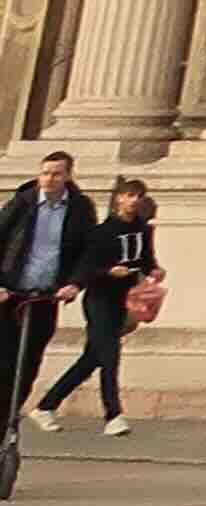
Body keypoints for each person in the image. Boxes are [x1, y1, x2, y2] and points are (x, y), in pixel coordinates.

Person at [29, 181, 155, 437]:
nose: (134, 201)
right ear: (118, 199)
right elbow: (88, 266)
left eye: (138, 196)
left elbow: (146, 260)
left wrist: (154, 270)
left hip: (123, 301)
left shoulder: (142, 230)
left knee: (91, 359)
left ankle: (46, 406)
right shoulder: (102, 232)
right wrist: (108, 271)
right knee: (110, 357)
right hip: (99, 300)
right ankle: (113, 415)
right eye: (129, 195)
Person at [0, 152, 85, 425]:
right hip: (11, 294)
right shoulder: (22, 203)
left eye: (56, 174)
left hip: (45, 297)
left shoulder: (80, 208)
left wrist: (75, 283)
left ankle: (9, 418)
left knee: (29, 363)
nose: (49, 179)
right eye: (45, 173)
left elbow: (86, 252)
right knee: (4, 361)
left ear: (68, 176)